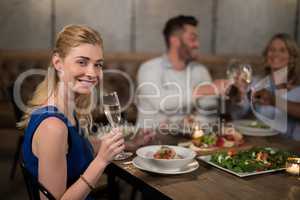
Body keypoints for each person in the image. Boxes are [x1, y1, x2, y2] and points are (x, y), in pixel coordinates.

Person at [18, 25, 152, 200]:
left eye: (98, 65)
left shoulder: (65, 110)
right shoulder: (53, 127)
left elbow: (79, 146)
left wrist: (130, 144)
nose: (92, 73)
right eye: (82, 62)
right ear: (58, 63)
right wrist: (101, 161)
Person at [136, 15, 214, 129]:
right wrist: (201, 91)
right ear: (175, 41)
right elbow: (161, 102)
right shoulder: (149, 68)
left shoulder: (201, 71)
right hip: (150, 142)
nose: (197, 45)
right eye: (192, 39)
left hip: (191, 141)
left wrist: (194, 121)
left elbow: (210, 110)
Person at [228, 33, 300, 140]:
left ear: (292, 57)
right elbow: (237, 115)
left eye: (282, 50)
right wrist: (238, 95)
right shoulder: (256, 82)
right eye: (272, 50)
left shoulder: (298, 87)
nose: (275, 54)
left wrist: (273, 100)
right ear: (266, 54)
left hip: (292, 149)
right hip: (260, 145)